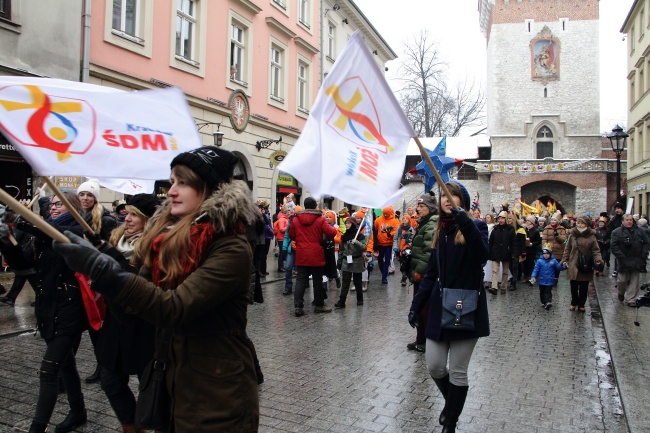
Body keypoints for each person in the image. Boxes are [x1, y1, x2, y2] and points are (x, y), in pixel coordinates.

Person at [54, 146, 260, 431]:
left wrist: (105, 271)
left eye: (183, 182)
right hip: (170, 385)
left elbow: (173, 307)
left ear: (211, 190)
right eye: (172, 181)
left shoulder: (231, 246)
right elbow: (135, 311)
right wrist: (105, 257)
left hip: (217, 394)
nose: (172, 190)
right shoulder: (166, 241)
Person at [408, 180, 489, 433]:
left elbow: (481, 256)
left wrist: (465, 221)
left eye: (452, 195)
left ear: (461, 201)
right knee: (434, 365)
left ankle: (450, 421)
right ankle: (452, 404)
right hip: (440, 306)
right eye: (444, 195)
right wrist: (416, 304)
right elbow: (432, 273)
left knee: (458, 370)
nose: (447, 199)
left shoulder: (476, 226)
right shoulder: (439, 231)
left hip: (467, 306)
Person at [20, 192, 89, 433]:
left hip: (69, 311)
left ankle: (36, 429)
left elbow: (52, 233)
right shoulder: (44, 234)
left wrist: (21, 221)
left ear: (73, 206)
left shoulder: (78, 230)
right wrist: (6, 239)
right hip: (48, 309)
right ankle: (78, 412)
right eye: (51, 205)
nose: (53, 208)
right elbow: (22, 265)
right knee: (67, 364)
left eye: (59, 203)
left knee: (49, 370)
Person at [99, 194, 159, 433]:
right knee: (110, 381)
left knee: (151, 388)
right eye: (127, 213)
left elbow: (142, 286)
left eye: (135, 214)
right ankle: (130, 426)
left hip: (145, 326)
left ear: (148, 219)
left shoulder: (156, 245)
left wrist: (114, 265)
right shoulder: (115, 238)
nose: (128, 218)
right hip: (115, 323)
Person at [77, 178, 117, 384]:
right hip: (82, 276)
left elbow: (110, 251)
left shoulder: (106, 219)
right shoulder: (76, 216)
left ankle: (104, 367)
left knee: (99, 325)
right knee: (91, 324)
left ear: (96, 198)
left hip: (99, 278)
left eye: (89, 194)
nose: (85, 198)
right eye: (82, 194)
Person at [289, 197, 338, 316]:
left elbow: (291, 235)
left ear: (305, 206)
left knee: (300, 280)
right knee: (317, 280)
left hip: (302, 253)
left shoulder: (296, 220)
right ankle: (319, 305)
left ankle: (298, 307)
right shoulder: (320, 219)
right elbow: (332, 232)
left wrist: (301, 241)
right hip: (316, 253)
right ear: (315, 206)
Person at [407, 191, 437, 353]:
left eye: (422, 206)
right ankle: (420, 339)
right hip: (418, 273)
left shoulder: (431, 224)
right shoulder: (423, 222)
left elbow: (428, 251)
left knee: (425, 308)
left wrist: (419, 271)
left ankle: (426, 341)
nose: (418, 209)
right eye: (418, 206)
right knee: (419, 307)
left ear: (430, 208)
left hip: (424, 275)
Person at [561, 215, 603, 312]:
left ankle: (581, 304)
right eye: (578, 223)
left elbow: (595, 250)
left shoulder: (591, 236)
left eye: (582, 223)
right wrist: (564, 259)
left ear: (586, 224)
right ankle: (573, 302)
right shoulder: (572, 235)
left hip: (586, 264)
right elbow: (567, 248)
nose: (579, 225)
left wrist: (598, 260)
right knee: (574, 285)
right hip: (574, 263)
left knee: (584, 286)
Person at [0, 208, 40, 306]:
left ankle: (42, 297)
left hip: (25, 254)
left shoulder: (20, 223)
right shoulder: (21, 221)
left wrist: (7, 234)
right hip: (24, 255)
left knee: (30, 276)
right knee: (22, 275)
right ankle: (11, 297)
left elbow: (15, 238)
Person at [611, 214, 650, 307]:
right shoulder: (616, 232)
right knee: (622, 280)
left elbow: (646, 243)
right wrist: (620, 256)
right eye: (627, 220)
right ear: (622, 221)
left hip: (637, 259)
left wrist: (643, 255)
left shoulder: (640, 231)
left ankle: (631, 299)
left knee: (634, 280)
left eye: (630, 220)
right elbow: (614, 246)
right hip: (623, 260)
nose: (629, 221)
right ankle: (621, 292)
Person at [334, 216, 367, 308]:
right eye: (346, 223)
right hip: (346, 260)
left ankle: (360, 299)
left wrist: (356, 242)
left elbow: (364, 247)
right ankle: (342, 301)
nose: (347, 225)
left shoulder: (360, 236)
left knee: (357, 281)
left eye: (349, 223)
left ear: (353, 224)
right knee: (345, 282)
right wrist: (339, 260)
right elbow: (341, 249)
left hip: (357, 260)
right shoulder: (344, 236)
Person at [487, 211, 514, 295]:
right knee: (495, 270)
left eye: (502, 218)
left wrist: (513, 253)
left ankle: (503, 286)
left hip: (506, 252)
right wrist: (489, 252)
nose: (500, 220)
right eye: (499, 218)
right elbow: (491, 241)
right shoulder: (495, 229)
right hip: (496, 251)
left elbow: (513, 242)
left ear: (505, 219)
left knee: (505, 271)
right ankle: (494, 287)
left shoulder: (510, 229)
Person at [530, 245, 564, 309]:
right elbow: (536, 269)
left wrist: (563, 266)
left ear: (550, 254)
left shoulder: (553, 261)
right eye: (544, 254)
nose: (546, 255)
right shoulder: (539, 261)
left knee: (547, 291)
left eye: (547, 254)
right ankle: (543, 301)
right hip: (541, 280)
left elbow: (559, 267)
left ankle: (548, 301)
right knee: (542, 292)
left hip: (549, 280)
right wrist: (533, 276)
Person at [373, 206, 400, 284]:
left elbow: (396, 231)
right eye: (384, 214)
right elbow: (375, 228)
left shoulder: (395, 221)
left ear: (391, 213)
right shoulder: (379, 219)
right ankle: (383, 273)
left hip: (389, 244)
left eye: (387, 214)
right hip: (380, 243)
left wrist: (389, 234)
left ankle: (384, 277)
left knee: (387, 260)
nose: (385, 215)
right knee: (380, 260)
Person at [541, 215, 567, 286]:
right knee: (549, 266)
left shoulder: (562, 229)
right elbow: (544, 240)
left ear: (558, 221)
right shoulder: (547, 228)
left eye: (554, 220)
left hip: (558, 251)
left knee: (556, 266)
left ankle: (555, 279)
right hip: (549, 250)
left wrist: (557, 235)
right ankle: (549, 279)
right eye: (552, 220)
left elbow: (563, 240)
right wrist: (545, 250)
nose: (553, 221)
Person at [507, 214, 526, 290]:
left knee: (515, 267)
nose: (509, 220)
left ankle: (513, 282)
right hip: (508, 250)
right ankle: (511, 279)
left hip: (516, 251)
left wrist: (523, 251)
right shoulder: (507, 228)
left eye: (510, 219)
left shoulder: (520, 229)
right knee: (509, 267)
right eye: (508, 219)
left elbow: (522, 242)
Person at [607, 202, 625, 277]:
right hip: (616, 239)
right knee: (617, 255)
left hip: (625, 239)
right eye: (616, 209)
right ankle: (616, 269)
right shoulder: (614, 219)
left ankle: (623, 269)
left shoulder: (625, 217)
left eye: (618, 208)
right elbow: (609, 228)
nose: (617, 210)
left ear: (622, 209)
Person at [523, 215, 542, 284]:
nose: (527, 222)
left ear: (531, 222)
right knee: (524, 264)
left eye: (528, 221)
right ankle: (526, 277)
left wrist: (532, 244)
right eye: (527, 221)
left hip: (532, 250)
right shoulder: (525, 229)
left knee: (530, 264)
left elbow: (538, 241)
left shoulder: (535, 231)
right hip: (525, 249)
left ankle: (531, 277)